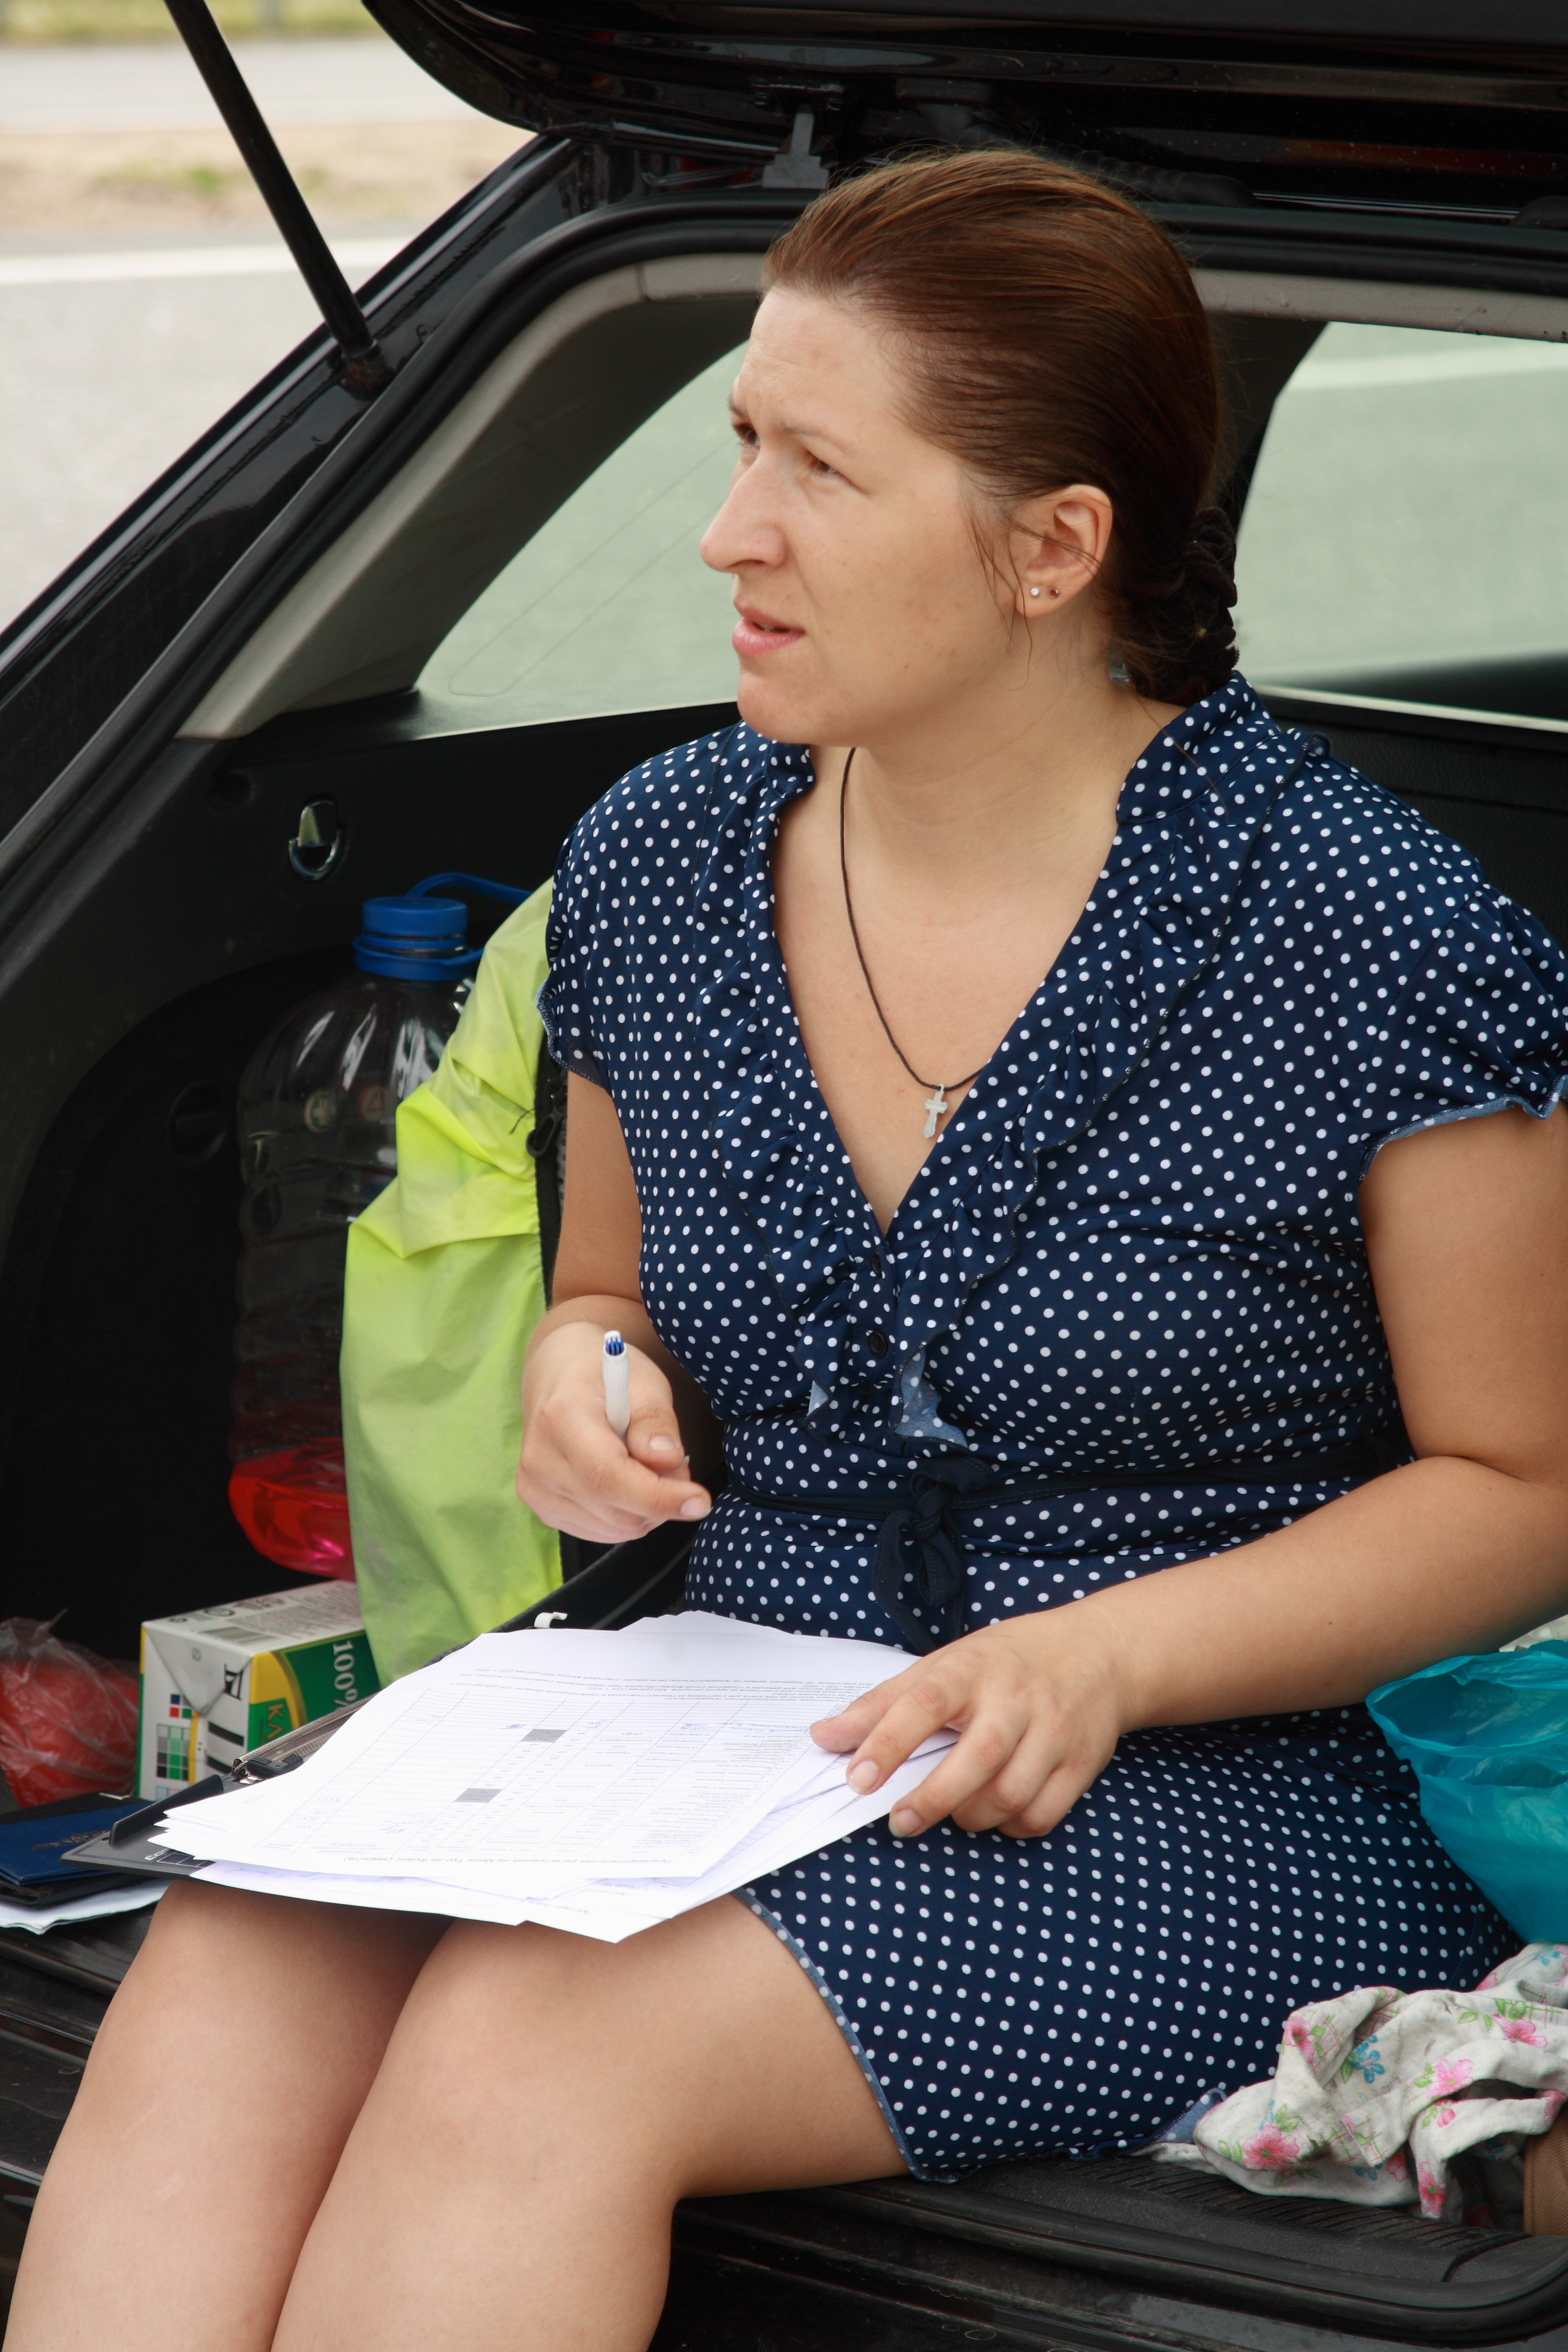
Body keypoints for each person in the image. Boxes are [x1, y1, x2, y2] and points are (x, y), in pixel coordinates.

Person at [11, 149, 1568, 2352]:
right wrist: (583, 1380)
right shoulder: (657, 863)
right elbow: (604, 1297)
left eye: (819, 470)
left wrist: (1106, 1659)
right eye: (742, 441)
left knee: (533, 2050)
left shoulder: (1375, 936)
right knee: (232, 1952)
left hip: (1206, 1765)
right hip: (712, 1719)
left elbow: (1524, 1489)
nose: (730, 531)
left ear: (1052, 548)